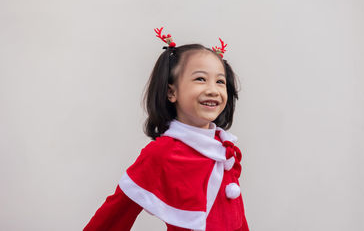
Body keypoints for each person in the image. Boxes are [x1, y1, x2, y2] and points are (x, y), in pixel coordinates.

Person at [84, 27, 249, 231]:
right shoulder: (162, 153)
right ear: (172, 92)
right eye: (200, 79)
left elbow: (236, 218)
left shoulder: (224, 149)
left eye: (220, 81)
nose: (213, 90)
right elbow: (117, 212)